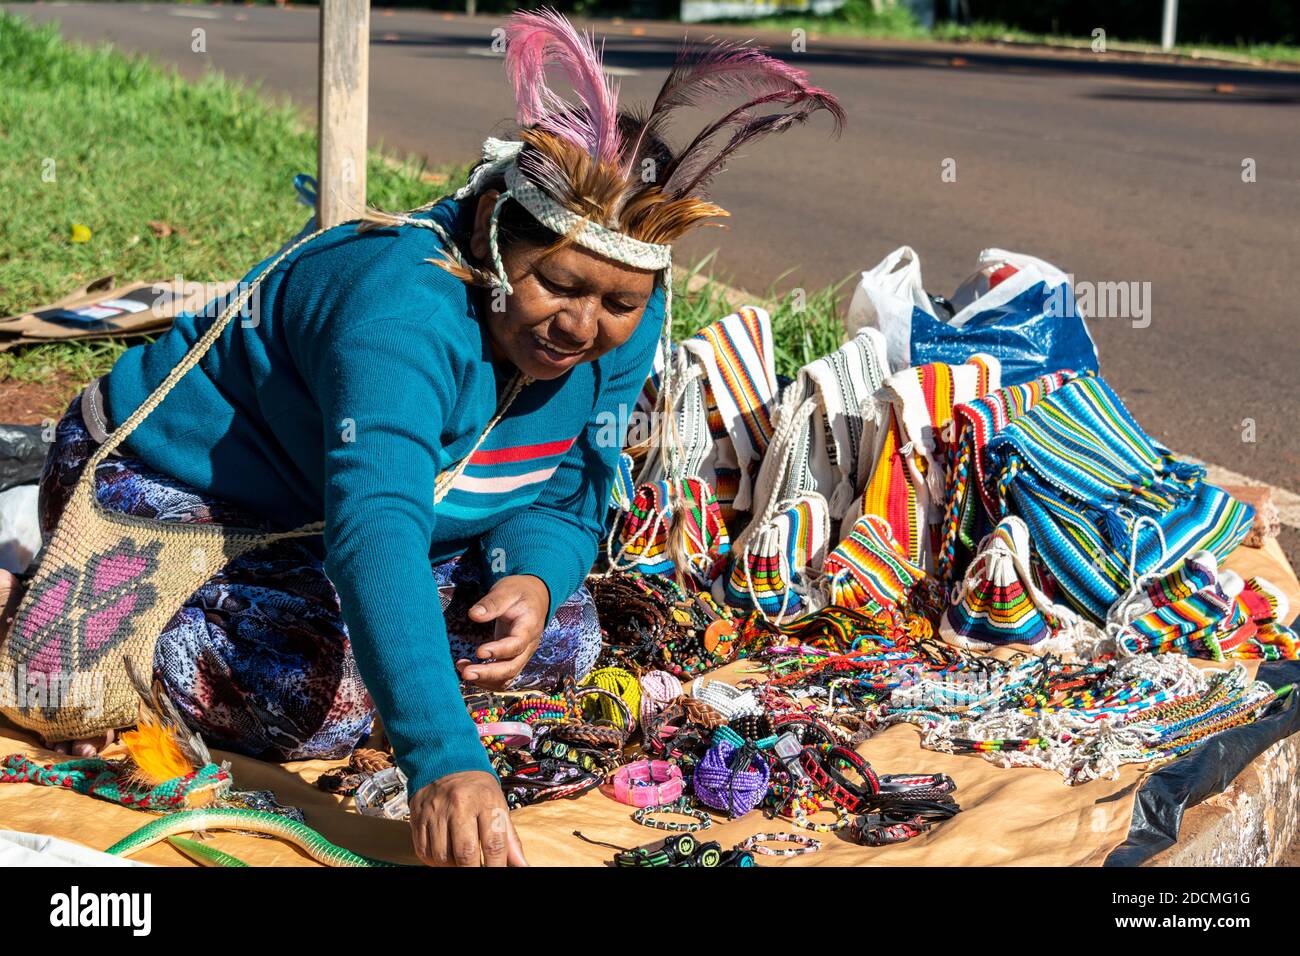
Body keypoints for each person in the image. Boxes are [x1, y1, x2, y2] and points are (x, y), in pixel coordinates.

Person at [0, 8, 842, 866]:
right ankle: (61, 621)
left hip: (349, 516)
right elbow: (375, 528)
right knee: (312, 701)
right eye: (556, 283)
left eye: (617, 305)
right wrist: (441, 759)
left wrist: (537, 581)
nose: (581, 326)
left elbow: (567, 483)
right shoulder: (400, 311)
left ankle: (313, 643)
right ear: (489, 236)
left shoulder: (633, 307)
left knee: (563, 637)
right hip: (185, 493)